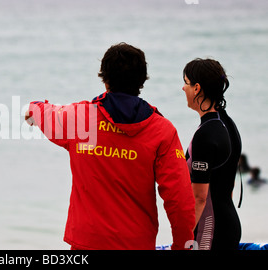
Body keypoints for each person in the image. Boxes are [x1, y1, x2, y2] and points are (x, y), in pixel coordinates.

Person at [25, 42, 196, 250]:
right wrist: (183, 246)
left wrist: (31, 110)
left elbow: (39, 110)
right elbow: (180, 201)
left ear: (105, 80)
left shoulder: (80, 119)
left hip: (87, 243)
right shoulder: (162, 130)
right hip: (137, 243)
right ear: (142, 81)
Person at [182, 58, 242, 250]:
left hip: (209, 232)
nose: (183, 88)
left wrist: (182, 238)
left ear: (197, 88)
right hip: (227, 222)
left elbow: (199, 198)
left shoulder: (206, 134)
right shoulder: (228, 124)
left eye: (186, 82)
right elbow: (228, 184)